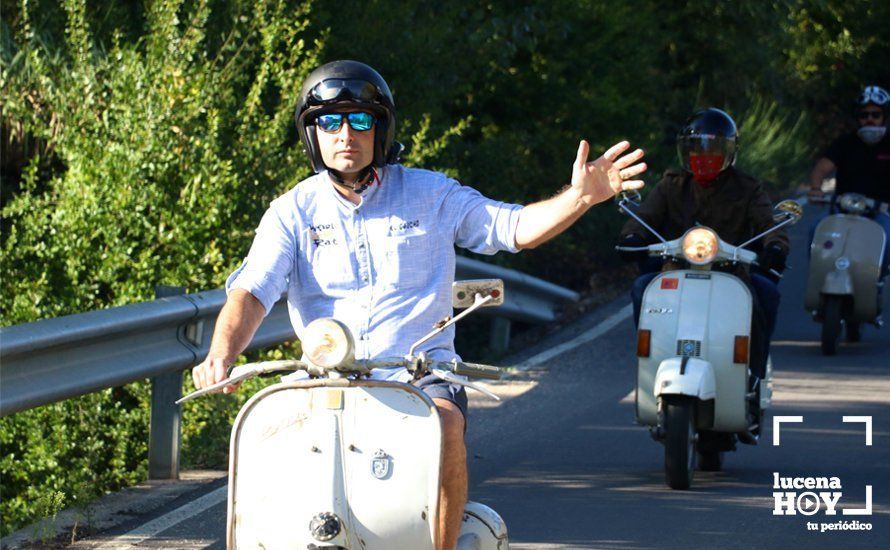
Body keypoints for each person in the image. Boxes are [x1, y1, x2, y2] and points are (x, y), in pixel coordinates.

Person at [190, 59, 647, 550]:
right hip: (322, 379)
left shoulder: (432, 194)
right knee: (261, 431)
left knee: (445, 422)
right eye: (329, 120)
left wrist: (580, 197)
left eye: (360, 119)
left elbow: (512, 229)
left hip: (417, 374)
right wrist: (222, 353)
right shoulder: (291, 212)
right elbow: (252, 290)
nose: (346, 133)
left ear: (380, 128)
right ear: (312, 133)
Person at [617, 107, 788, 391]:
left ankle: (754, 376)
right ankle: (650, 363)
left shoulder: (747, 188)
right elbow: (645, 217)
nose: (704, 157)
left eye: (713, 149)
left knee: (767, 294)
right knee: (642, 288)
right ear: (684, 152)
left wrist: (776, 246)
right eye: (696, 149)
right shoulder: (671, 185)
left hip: (733, 272)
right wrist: (633, 236)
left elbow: (769, 222)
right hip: (676, 269)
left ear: (729, 152)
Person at [808, 84, 890, 277]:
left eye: (875, 114)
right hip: (842, 210)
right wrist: (815, 188)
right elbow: (821, 168)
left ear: (884, 117)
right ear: (858, 118)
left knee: (888, 240)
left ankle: (878, 280)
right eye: (864, 115)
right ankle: (818, 276)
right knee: (816, 228)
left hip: (882, 213)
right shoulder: (845, 143)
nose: (869, 119)